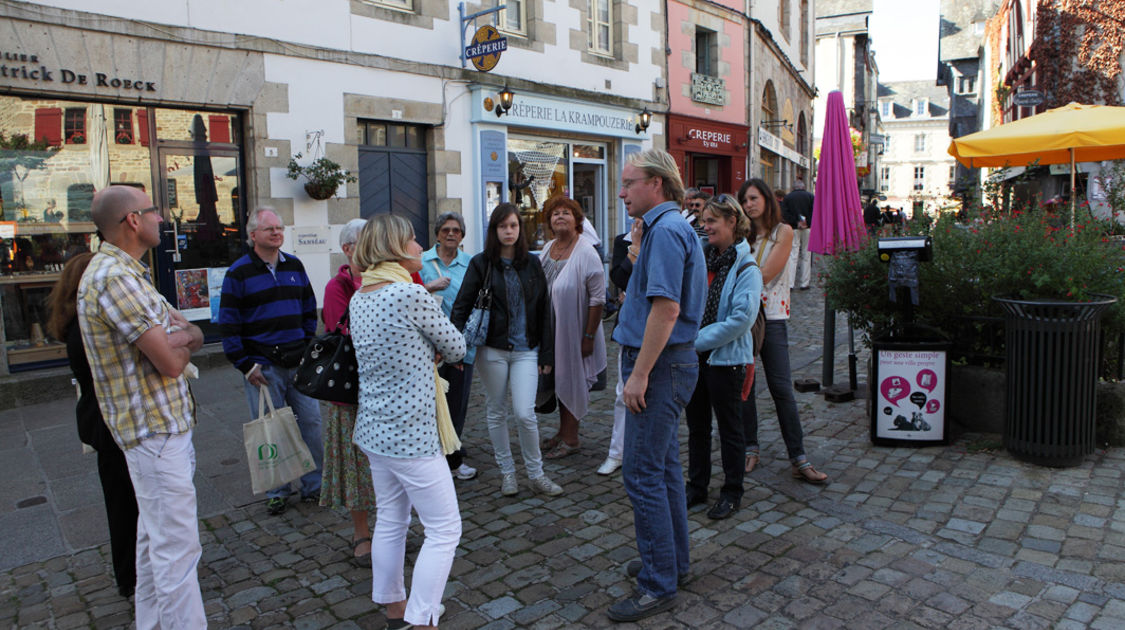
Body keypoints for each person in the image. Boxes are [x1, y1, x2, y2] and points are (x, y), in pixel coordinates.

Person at [76, 185, 206, 627]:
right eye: (154, 211)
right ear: (132, 220)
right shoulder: (115, 278)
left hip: (162, 427)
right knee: (177, 549)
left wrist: (182, 337)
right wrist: (180, 341)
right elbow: (171, 361)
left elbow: (191, 332)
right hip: (152, 431)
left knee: (155, 542)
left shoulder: (131, 274)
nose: (161, 218)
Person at [348, 214, 466, 630]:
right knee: (445, 528)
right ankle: (421, 619)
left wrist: (423, 352)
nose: (420, 246)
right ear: (396, 247)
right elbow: (456, 346)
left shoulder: (360, 295)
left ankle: (394, 607)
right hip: (411, 431)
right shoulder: (408, 294)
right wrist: (429, 351)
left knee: (392, 519)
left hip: (375, 428)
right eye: (413, 239)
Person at [609, 149, 705, 623]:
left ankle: (658, 583)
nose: (622, 192)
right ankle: (670, 563)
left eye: (629, 183)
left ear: (657, 185)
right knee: (664, 471)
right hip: (670, 364)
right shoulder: (667, 228)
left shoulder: (666, 231)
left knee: (643, 474)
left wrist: (639, 373)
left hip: (662, 366)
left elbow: (666, 310)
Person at [450, 204, 562, 497]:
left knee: (525, 413)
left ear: (519, 228)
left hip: (527, 350)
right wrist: (454, 349)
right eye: (503, 227)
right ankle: (507, 472)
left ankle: (536, 473)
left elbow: (544, 311)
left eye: (513, 226)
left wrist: (547, 354)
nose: (509, 231)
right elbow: (461, 307)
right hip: (493, 350)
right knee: (496, 410)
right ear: (494, 230)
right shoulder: (481, 263)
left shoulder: (532, 264)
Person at [219, 206, 323, 516]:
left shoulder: (294, 265)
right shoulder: (238, 273)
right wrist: (245, 364)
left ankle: (313, 486)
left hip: (298, 364)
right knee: (272, 432)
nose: (277, 232)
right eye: (269, 229)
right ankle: (277, 490)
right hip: (262, 368)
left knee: (311, 425)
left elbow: (308, 308)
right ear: (253, 236)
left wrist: (307, 346)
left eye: (279, 227)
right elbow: (228, 324)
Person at [48, 251, 139, 599]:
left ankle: (129, 572)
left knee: (120, 500)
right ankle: (130, 575)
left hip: (97, 417)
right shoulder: (84, 328)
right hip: (109, 419)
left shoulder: (74, 322)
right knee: (125, 502)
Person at [738, 178, 829, 485]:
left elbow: (767, 273)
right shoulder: (743, 235)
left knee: (781, 389)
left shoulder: (783, 232)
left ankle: (798, 457)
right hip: (744, 318)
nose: (749, 204)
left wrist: (737, 276)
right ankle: (750, 447)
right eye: (744, 200)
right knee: (745, 388)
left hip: (773, 317)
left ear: (767, 198)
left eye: (753, 198)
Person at [684, 195, 762, 520]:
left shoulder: (746, 267)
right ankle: (697, 485)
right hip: (697, 358)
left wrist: (694, 342)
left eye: (712, 221)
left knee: (731, 430)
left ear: (732, 222)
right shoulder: (705, 259)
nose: (706, 226)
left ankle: (732, 491)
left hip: (726, 360)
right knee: (697, 427)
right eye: (704, 220)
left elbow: (740, 320)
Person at [320, 218, 377, 567]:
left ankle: (389, 527)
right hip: (350, 391)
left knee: (386, 465)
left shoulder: (387, 278)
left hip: (383, 389)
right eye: (366, 242)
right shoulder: (337, 286)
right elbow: (347, 332)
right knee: (357, 466)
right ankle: (361, 533)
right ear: (348, 249)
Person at [538, 196, 607, 460]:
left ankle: (571, 438)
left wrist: (588, 336)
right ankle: (562, 431)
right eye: (554, 214)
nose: (560, 217)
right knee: (558, 380)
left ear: (577, 219)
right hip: (552, 330)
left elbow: (598, 299)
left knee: (571, 379)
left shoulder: (586, 251)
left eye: (566, 212)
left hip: (576, 330)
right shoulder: (547, 249)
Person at [418, 212, 478, 481]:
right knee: (428, 405)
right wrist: (430, 287)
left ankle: (453, 459)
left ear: (462, 235)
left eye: (456, 230)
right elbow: (409, 292)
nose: (451, 234)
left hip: (461, 345)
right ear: (437, 233)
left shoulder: (471, 264)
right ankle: (432, 457)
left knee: (456, 404)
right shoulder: (421, 262)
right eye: (445, 229)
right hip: (427, 348)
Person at [598, 217, 645, 476]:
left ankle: (644, 453)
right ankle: (617, 452)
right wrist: (635, 249)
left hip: (656, 320)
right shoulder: (622, 241)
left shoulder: (664, 235)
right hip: (630, 324)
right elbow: (619, 278)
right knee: (622, 392)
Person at [783, 179, 814, 290]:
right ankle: (804, 283)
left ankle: (790, 283)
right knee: (806, 255)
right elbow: (814, 212)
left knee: (793, 255)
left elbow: (785, 213)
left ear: (794, 187)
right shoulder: (810, 196)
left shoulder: (788, 197)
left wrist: (795, 222)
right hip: (808, 229)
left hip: (794, 228)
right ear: (803, 186)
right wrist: (807, 223)